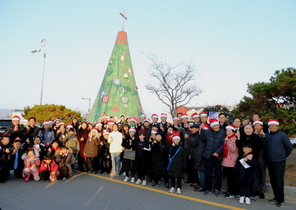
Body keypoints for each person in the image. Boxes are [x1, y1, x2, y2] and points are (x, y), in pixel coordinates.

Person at [262, 119, 293, 208]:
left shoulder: (282, 135)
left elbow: (289, 147)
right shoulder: (267, 136)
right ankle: (276, 196)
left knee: (279, 180)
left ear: (277, 126)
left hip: (279, 161)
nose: (272, 127)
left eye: (274, 125)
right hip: (270, 161)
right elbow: (264, 146)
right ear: (269, 127)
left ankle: (280, 199)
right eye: (271, 125)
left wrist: (283, 156)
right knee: (273, 180)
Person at [201, 118, 225, 196]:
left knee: (218, 173)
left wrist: (218, 152)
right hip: (208, 155)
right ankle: (208, 188)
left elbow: (223, 143)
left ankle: (217, 188)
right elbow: (203, 139)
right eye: (214, 125)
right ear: (211, 126)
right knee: (208, 173)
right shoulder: (207, 132)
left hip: (218, 156)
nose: (216, 127)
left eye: (217, 125)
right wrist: (202, 130)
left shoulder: (222, 132)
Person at [222, 125, 239, 198]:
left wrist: (228, 142)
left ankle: (232, 192)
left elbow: (233, 149)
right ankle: (229, 190)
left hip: (232, 161)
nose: (228, 132)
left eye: (229, 131)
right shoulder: (227, 138)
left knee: (232, 178)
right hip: (226, 160)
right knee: (228, 178)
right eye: (227, 131)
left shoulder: (234, 139)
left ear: (233, 131)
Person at [253, 120, 267, 199]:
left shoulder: (265, 135)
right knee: (255, 175)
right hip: (254, 157)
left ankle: (262, 191)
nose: (257, 127)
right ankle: (255, 190)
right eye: (256, 126)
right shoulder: (252, 135)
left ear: (261, 127)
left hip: (262, 158)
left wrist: (264, 136)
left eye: (259, 126)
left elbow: (265, 146)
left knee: (262, 175)